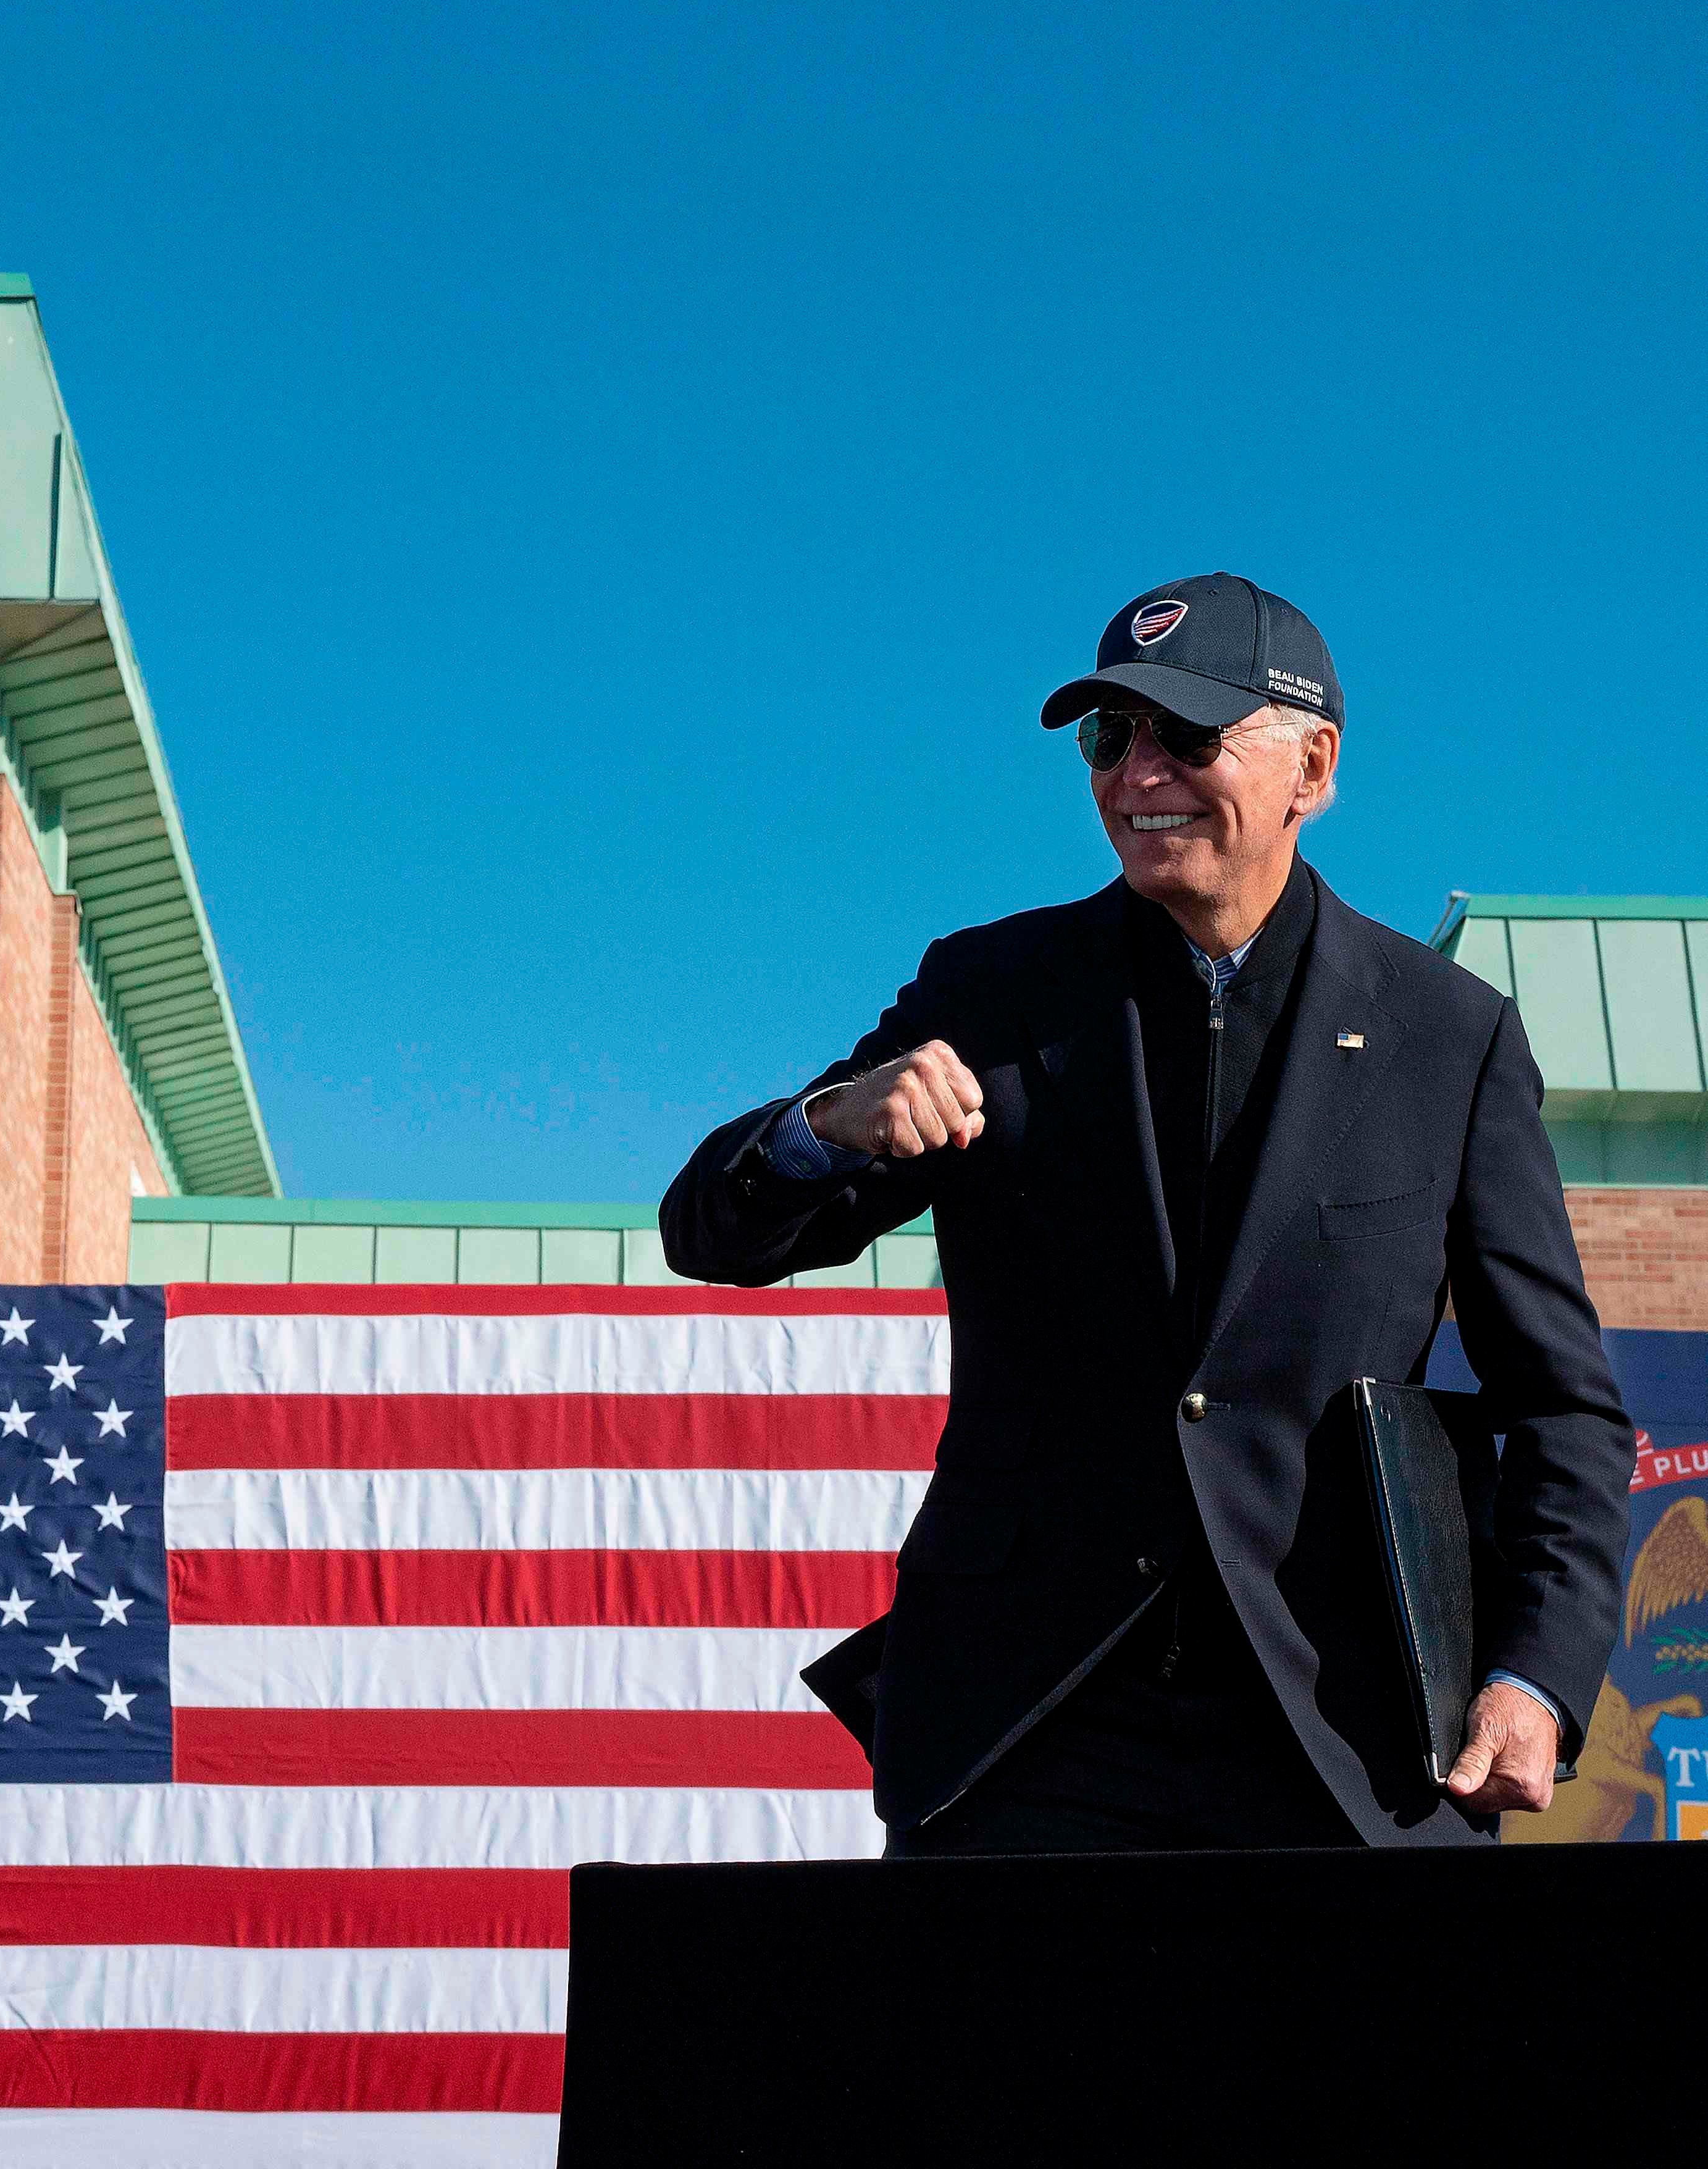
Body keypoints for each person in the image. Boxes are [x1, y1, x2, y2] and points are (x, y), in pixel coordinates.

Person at [659, 573, 1630, 1853]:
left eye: (1186, 733)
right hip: (1031, 1721)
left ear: (1313, 765)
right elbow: (711, 1235)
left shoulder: (1449, 1037)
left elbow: (1560, 1404)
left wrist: (1534, 1673)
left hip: (1346, 1733)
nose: (1136, 772)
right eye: (1109, 736)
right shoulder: (995, 988)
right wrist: (820, 1123)